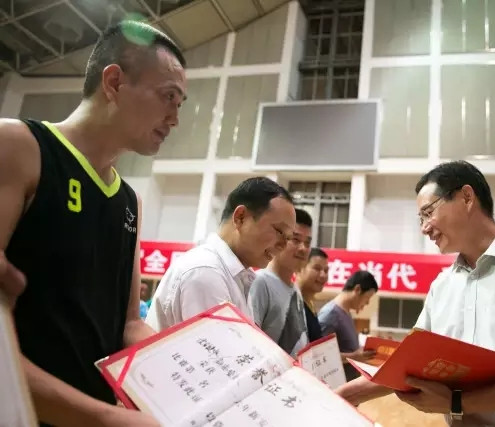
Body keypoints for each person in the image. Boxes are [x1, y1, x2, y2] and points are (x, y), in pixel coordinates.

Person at [1, 20, 187, 426]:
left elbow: (129, 325)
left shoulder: (130, 202)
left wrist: (189, 370)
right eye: (168, 97)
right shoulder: (19, 147)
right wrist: (104, 418)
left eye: (180, 103)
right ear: (115, 82)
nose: (175, 118)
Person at [336, 160, 495, 426]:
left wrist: (458, 402)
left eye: (428, 213)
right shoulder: (442, 285)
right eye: (420, 219)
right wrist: (345, 394)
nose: (424, 228)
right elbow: (408, 366)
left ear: (466, 197)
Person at [146, 177, 295, 331]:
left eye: (288, 238)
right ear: (240, 217)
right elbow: (218, 345)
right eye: (279, 231)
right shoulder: (206, 271)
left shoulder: (238, 277)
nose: (283, 245)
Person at [248, 208, 313, 356]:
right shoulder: (260, 282)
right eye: (296, 240)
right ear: (280, 240)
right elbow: (250, 344)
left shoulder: (295, 289)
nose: (303, 248)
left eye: (307, 243)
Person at [318, 270, 378, 380]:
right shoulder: (330, 314)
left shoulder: (346, 313)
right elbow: (319, 356)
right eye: (367, 298)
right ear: (357, 289)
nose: (367, 303)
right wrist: (354, 356)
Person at [296, 247, 330, 343]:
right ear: (299, 269)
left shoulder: (310, 304)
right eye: (317, 269)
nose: (323, 275)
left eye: (326, 270)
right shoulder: (291, 302)